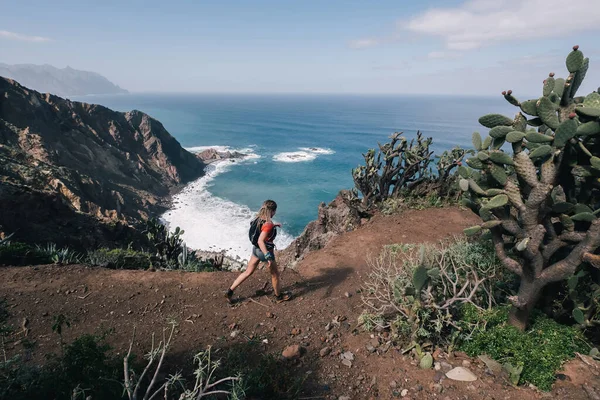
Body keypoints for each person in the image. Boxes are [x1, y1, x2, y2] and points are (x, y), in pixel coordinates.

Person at [225, 200, 292, 303]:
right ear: (273, 211)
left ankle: (229, 292)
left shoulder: (257, 218)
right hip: (263, 251)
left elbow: (260, 230)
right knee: (275, 274)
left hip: (255, 250)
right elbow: (261, 241)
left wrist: (273, 226)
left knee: (248, 272)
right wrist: (268, 256)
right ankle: (279, 297)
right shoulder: (268, 224)